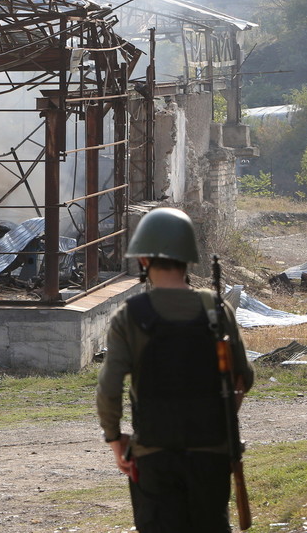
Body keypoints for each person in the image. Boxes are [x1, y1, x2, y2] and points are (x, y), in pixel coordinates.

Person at [95, 207, 254, 532]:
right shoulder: (216, 308)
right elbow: (244, 377)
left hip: (153, 452)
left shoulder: (130, 315)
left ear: (143, 260)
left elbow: (109, 389)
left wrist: (115, 439)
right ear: (187, 259)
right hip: (212, 450)